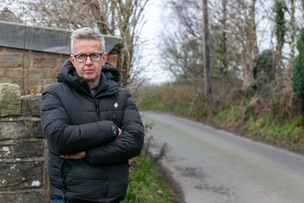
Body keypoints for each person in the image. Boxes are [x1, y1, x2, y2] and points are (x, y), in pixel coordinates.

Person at [40, 27, 145, 203]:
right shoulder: (54, 93)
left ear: (103, 58)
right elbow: (59, 138)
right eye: (81, 56)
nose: (88, 62)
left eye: (94, 55)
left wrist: (88, 154)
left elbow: (134, 141)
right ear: (73, 60)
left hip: (112, 197)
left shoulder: (121, 95)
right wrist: (110, 129)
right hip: (70, 197)